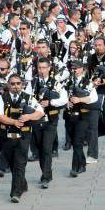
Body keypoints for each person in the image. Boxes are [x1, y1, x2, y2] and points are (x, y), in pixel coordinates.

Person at [0, 74, 44, 203]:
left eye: (18, 84)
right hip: (7, 136)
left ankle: (15, 193)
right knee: (11, 163)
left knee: (20, 163)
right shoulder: (2, 98)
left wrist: (28, 117)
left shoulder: (28, 97)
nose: (15, 86)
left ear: (22, 84)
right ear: (8, 85)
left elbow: (40, 112)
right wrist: (13, 122)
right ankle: (23, 183)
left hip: (24, 136)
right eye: (12, 84)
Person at [25, 57, 68, 188]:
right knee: (38, 148)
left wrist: (51, 103)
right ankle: (46, 172)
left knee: (46, 148)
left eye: (44, 68)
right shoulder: (33, 83)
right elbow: (26, 98)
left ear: (49, 68)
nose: (42, 70)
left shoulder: (56, 83)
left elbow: (64, 99)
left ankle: (46, 176)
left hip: (51, 119)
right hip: (37, 120)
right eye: (39, 68)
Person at [65, 61, 98, 177]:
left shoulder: (88, 83)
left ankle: (76, 167)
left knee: (77, 141)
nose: (74, 70)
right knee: (74, 142)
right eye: (72, 68)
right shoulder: (68, 81)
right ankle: (82, 163)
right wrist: (67, 103)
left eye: (76, 68)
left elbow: (94, 98)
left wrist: (80, 100)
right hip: (70, 115)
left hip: (83, 115)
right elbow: (63, 96)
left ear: (82, 69)